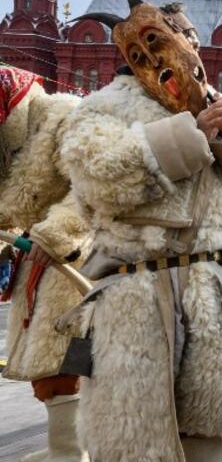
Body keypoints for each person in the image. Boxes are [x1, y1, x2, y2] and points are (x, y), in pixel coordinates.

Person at [61, 0, 222, 462]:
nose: (194, 43)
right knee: (132, 440)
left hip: (213, 300)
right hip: (136, 298)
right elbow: (99, 177)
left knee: (209, 439)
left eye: (195, 34)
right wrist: (191, 135)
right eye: (183, 31)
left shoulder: (212, 100)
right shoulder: (104, 106)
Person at [0, 67, 90, 462]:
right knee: (47, 361)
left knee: (65, 357)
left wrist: (56, 234)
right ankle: (64, 448)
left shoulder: (66, 116)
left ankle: (71, 452)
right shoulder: (14, 142)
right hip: (38, 260)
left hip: (72, 260)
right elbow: (16, 204)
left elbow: (92, 185)